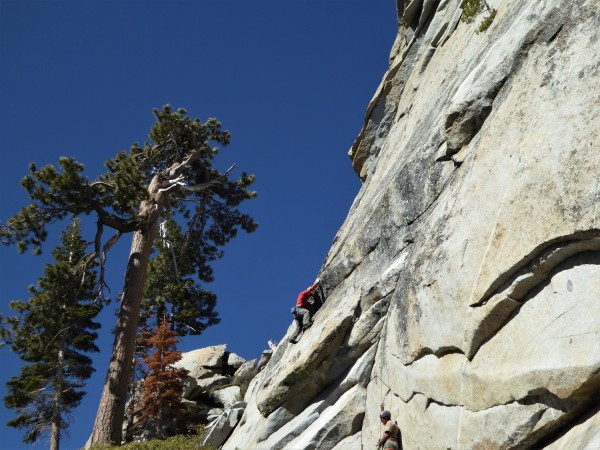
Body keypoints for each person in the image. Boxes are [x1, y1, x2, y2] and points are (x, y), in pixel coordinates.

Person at [288, 278, 320, 344]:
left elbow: (310, 304)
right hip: (298, 310)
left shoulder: (306, 299)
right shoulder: (303, 293)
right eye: (310, 293)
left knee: (299, 328)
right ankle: (306, 323)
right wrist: (316, 283)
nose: (310, 294)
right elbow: (310, 289)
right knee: (306, 312)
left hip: (296, 314)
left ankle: (291, 338)